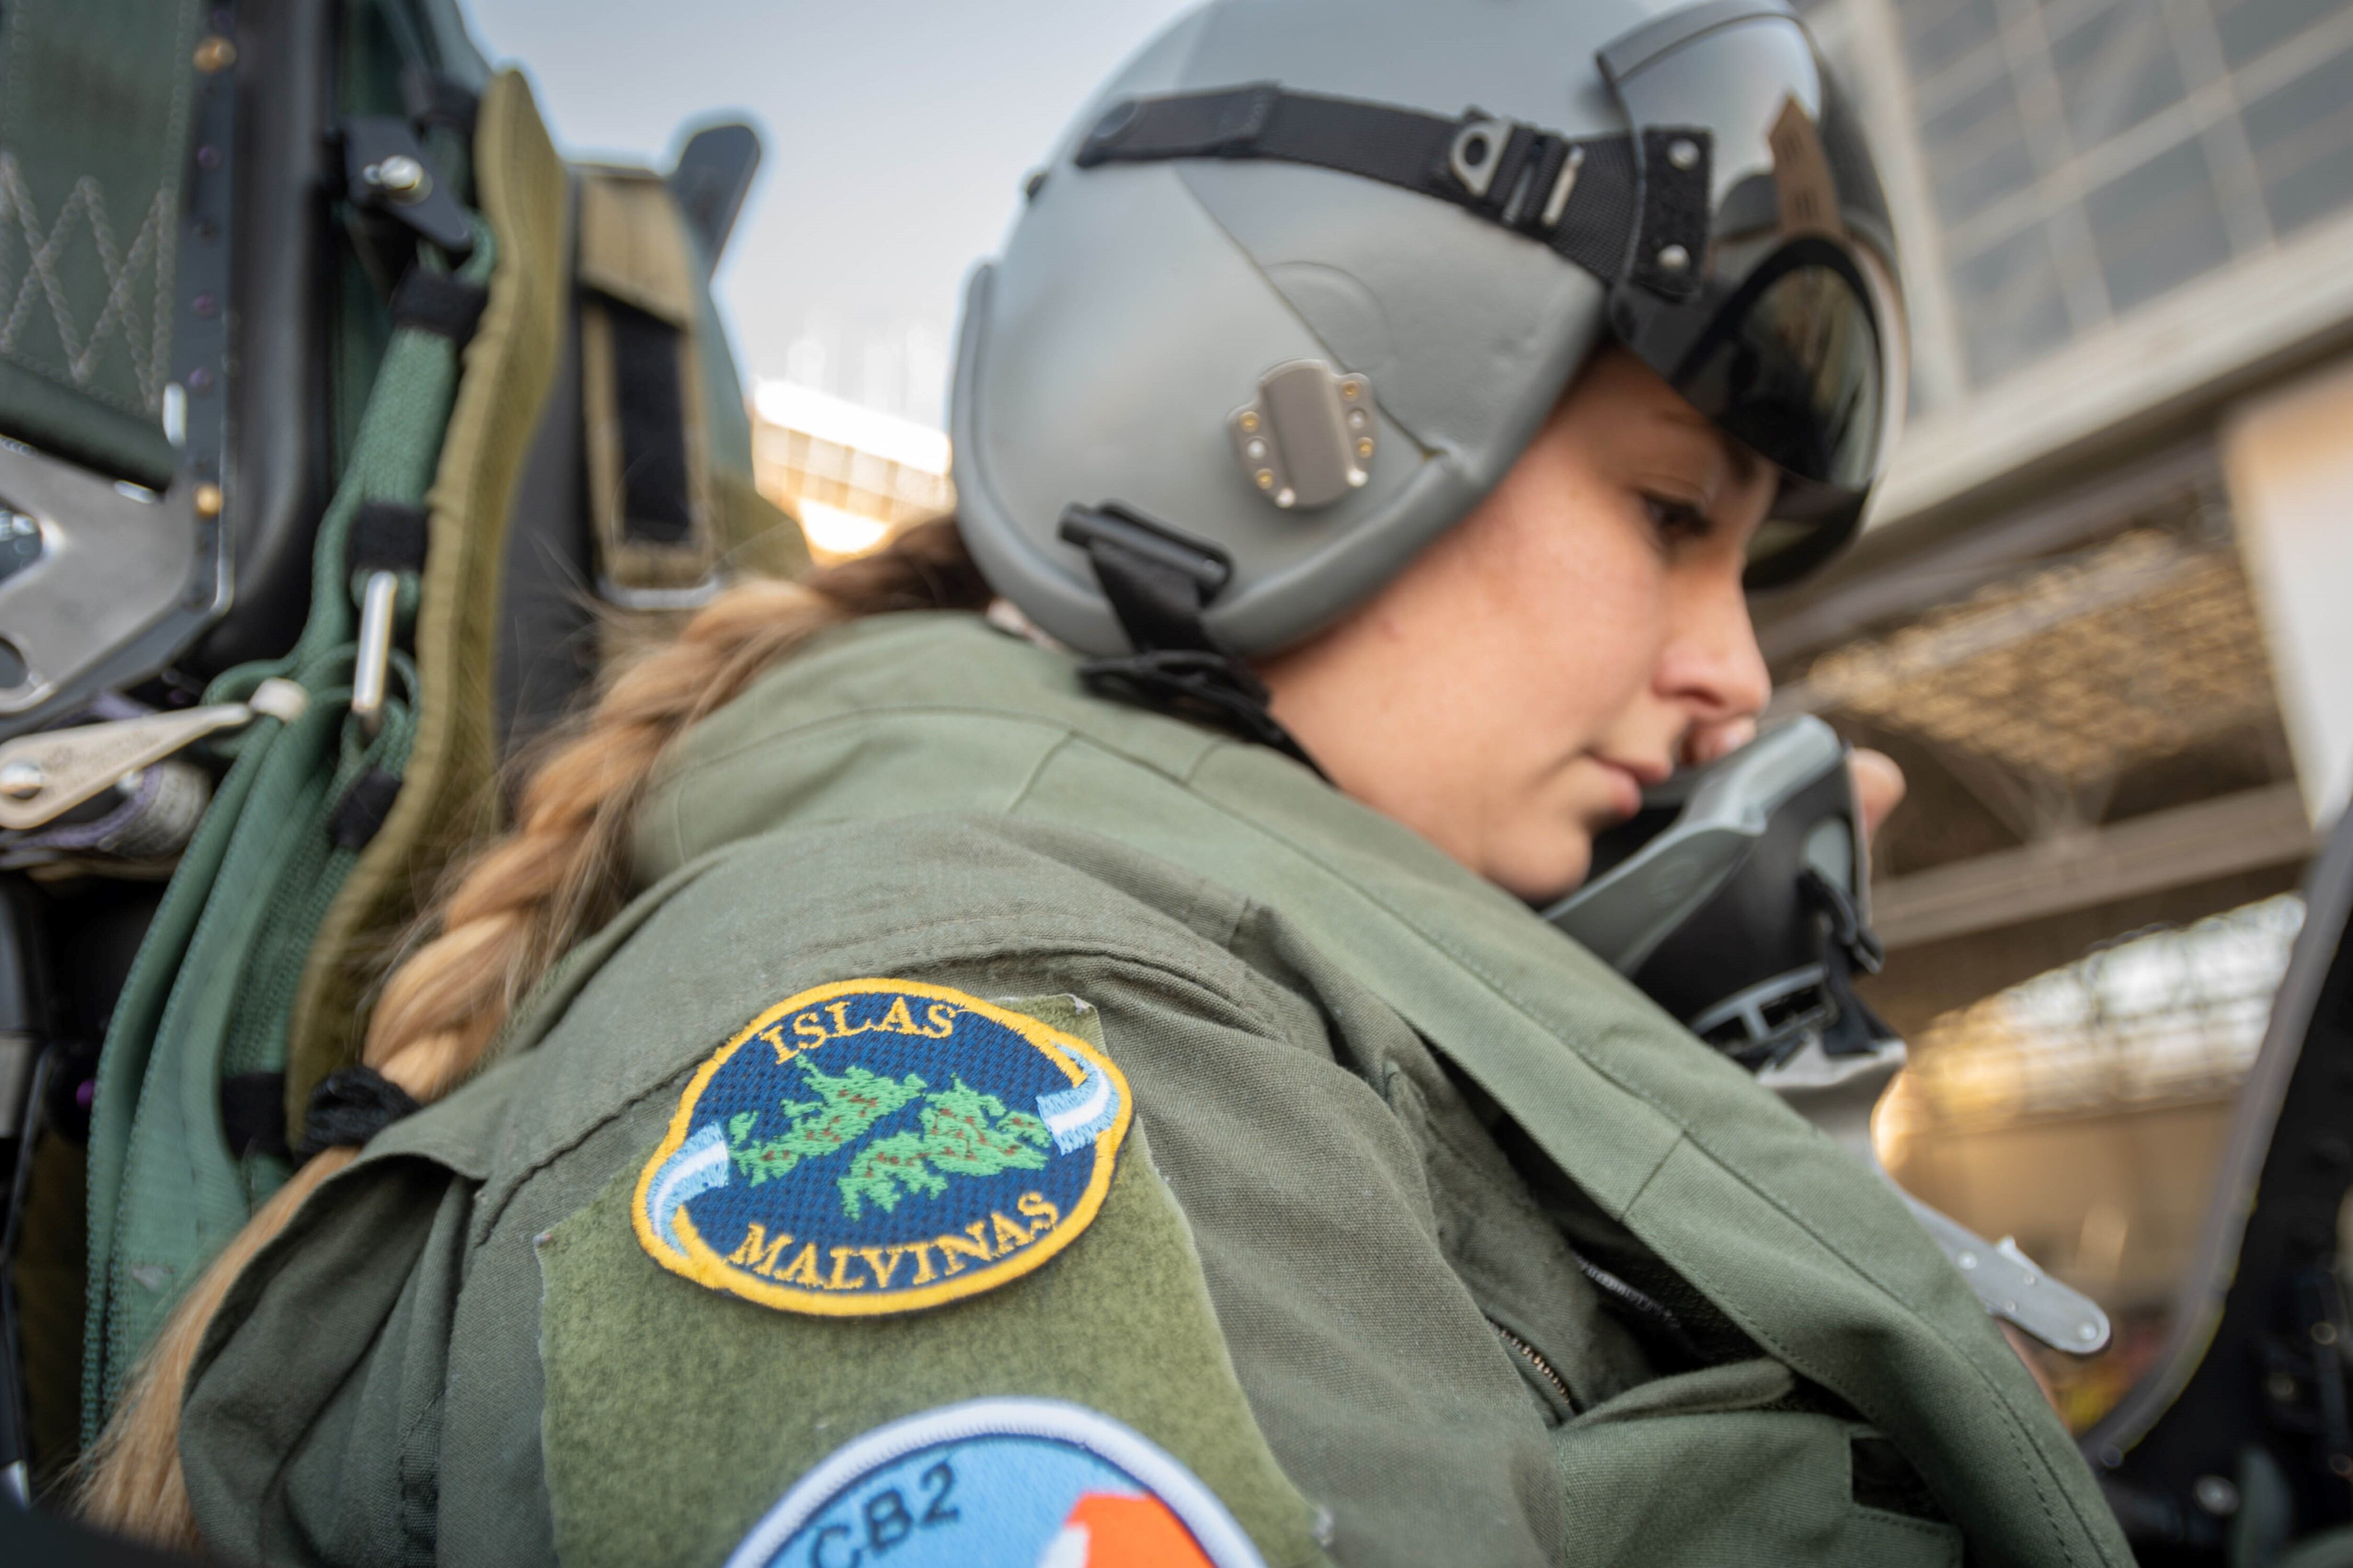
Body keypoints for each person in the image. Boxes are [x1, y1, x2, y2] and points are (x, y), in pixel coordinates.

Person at [81, 1, 2133, 1564]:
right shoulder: (991, 1017)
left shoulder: (1194, 983)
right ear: (1273, 421)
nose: (1736, 673)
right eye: (1672, 513)